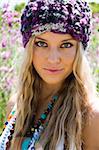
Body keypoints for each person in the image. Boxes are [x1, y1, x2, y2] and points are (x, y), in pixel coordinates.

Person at [0, 0, 99, 149]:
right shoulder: (16, 106)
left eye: (66, 45)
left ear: (79, 51)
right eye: (41, 44)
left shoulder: (90, 117)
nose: (53, 59)